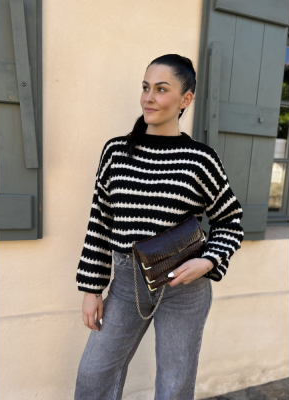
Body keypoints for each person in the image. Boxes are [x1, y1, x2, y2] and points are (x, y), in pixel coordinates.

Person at [74, 54, 244, 400]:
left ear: (185, 99)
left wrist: (207, 261)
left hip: (184, 285)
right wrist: (92, 289)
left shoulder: (201, 159)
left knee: (174, 384)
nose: (149, 98)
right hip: (127, 284)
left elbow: (230, 220)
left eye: (161, 89)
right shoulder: (116, 152)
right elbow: (100, 223)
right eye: (145, 87)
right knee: (94, 373)